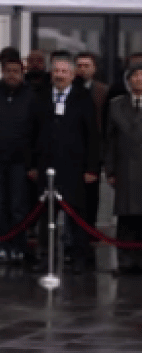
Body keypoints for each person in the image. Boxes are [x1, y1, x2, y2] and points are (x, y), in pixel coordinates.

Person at [35, 52, 101, 272]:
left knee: (76, 214)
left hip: (75, 168)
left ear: (72, 75)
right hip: (46, 167)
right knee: (46, 215)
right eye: (56, 71)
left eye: (64, 71)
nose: (60, 75)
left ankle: (79, 257)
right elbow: (31, 132)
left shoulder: (83, 98)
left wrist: (92, 167)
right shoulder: (41, 96)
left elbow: (92, 136)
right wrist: (32, 165)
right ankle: (46, 257)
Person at [0, 51, 39, 264]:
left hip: (21, 162)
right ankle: (1, 247)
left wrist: (34, 164)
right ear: (2, 72)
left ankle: (18, 248)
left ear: (22, 73)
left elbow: (38, 132)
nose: (12, 75)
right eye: (8, 71)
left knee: (18, 207)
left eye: (16, 71)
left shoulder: (31, 98)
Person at [104, 62, 142, 274]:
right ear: (128, 81)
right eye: (135, 76)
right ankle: (125, 261)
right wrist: (110, 170)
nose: (139, 80)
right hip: (125, 169)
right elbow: (109, 141)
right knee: (126, 218)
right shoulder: (116, 105)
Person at [75, 52, 109, 231]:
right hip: (74, 148)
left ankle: (90, 230)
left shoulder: (103, 91)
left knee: (92, 194)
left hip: (95, 148)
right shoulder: (70, 88)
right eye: (79, 65)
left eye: (86, 66)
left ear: (94, 68)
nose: (82, 69)